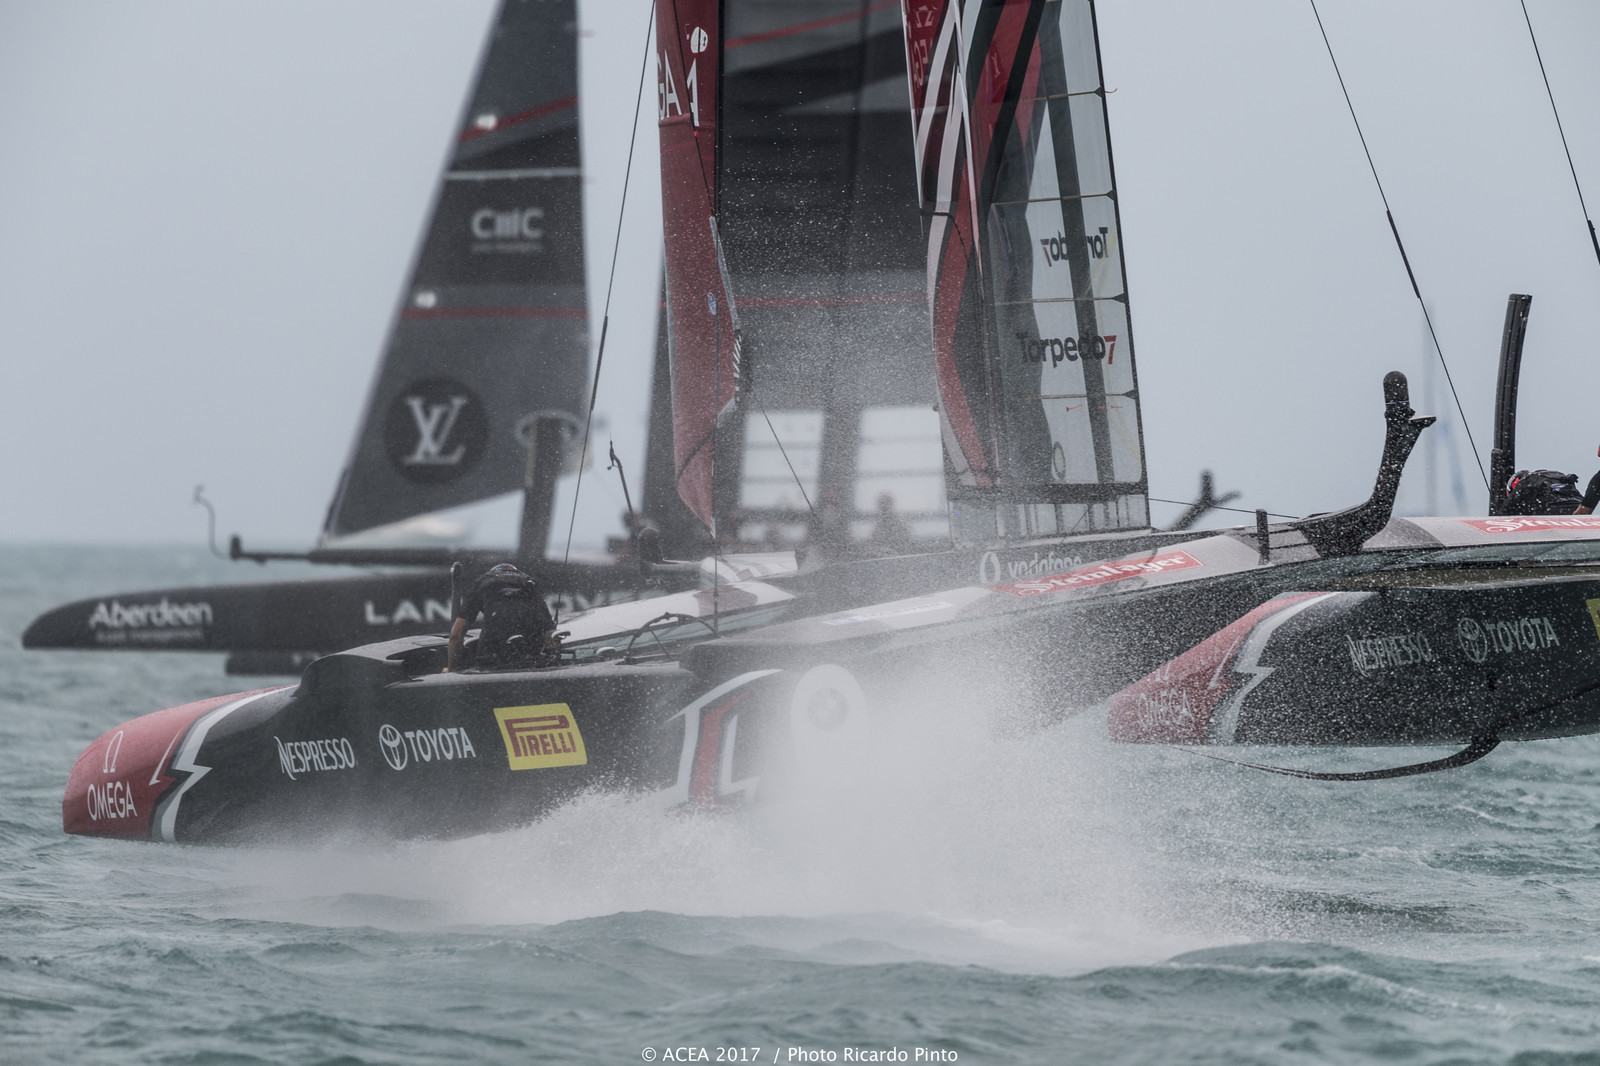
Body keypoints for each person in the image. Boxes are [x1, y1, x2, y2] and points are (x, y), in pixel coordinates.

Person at [444, 562, 556, 672]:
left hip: (492, 657)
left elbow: (456, 636)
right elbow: (550, 634)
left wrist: (451, 669)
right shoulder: (529, 584)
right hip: (531, 657)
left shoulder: (482, 582)